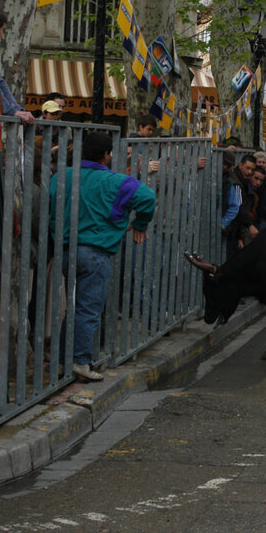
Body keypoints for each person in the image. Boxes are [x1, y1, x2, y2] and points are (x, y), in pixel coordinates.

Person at [50, 131, 157, 381]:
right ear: (107, 155)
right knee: (88, 309)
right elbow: (147, 197)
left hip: (65, 251)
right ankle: (80, 361)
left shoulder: (61, 176)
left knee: (72, 308)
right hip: (95, 252)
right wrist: (140, 223)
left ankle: (63, 359)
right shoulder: (117, 181)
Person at [222, 154, 256, 257]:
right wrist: (250, 225)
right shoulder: (236, 181)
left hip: (233, 229)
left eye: (252, 169)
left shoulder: (243, 181)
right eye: (247, 168)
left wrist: (240, 236)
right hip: (229, 228)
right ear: (240, 165)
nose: (249, 172)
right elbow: (239, 208)